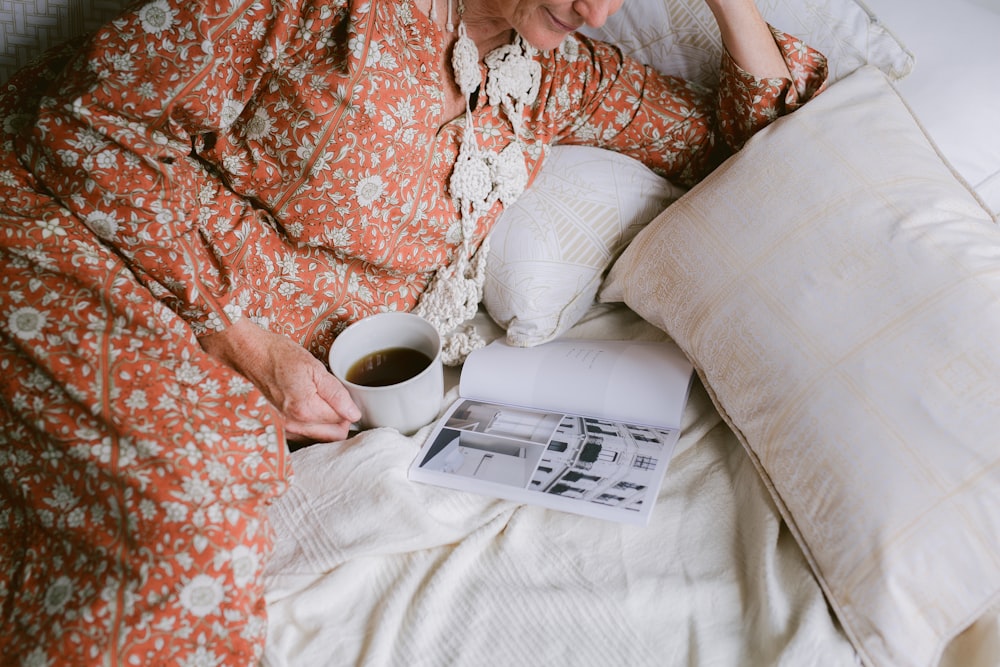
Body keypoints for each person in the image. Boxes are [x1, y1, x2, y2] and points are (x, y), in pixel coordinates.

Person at [0, 0, 827, 662]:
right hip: (81, 246)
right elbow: (82, 123)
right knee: (196, 521)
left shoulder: (555, 80)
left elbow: (758, 138)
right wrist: (235, 333)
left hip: (237, 375)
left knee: (164, 500)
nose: (600, 11)